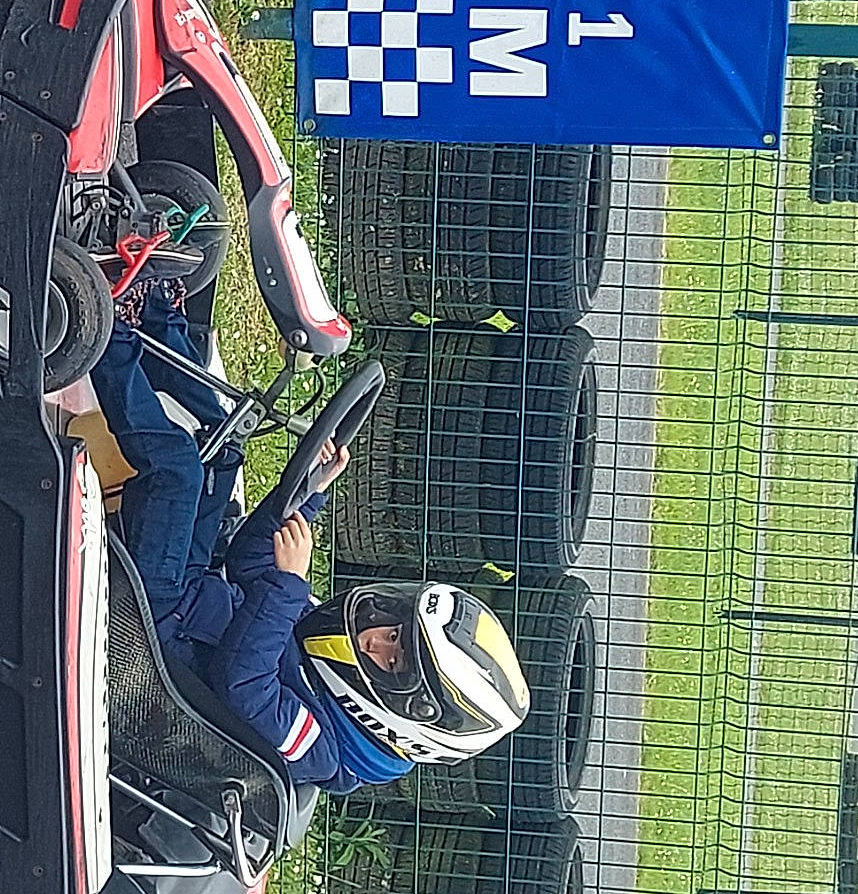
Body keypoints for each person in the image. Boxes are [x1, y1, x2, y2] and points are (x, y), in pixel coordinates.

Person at [89, 279, 531, 795]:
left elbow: (243, 685)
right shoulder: (329, 651)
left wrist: (286, 589)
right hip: (194, 591)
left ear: (405, 717)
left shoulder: (318, 749)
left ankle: (100, 331)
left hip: (152, 640)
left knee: (179, 472)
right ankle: (155, 314)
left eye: (391, 660)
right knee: (225, 446)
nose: (376, 640)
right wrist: (304, 497)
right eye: (392, 632)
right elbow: (250, 567)